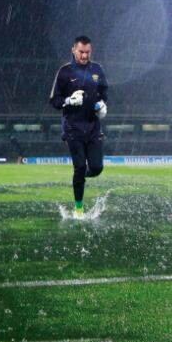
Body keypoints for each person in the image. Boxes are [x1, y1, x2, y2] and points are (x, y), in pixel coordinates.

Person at [48, 35, 108, 218]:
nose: (84, 56)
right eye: (81, 52)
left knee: (97, 168)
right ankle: (78, 209)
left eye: (87, 52)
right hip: (72, 128)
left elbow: (104, 94)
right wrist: (68, 100)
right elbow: (54, 101)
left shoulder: (97, 70)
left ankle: (79, 179)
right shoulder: (65, 72)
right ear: (73, 50)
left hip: (93, 128)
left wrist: (103, 106)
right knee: (80, 166)